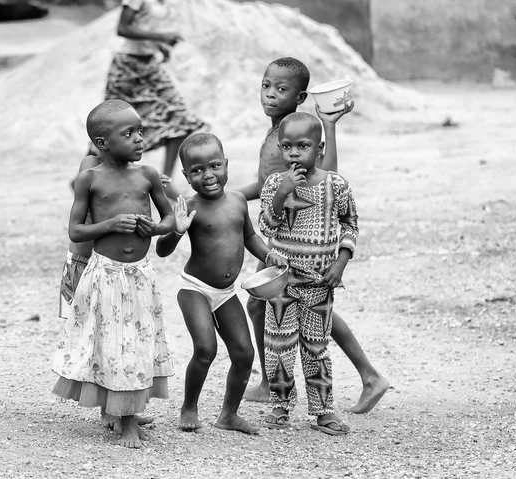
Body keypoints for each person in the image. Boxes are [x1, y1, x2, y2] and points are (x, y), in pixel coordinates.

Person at [239, 57, 389, 413]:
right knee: (279, 302)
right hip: (282, 237)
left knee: (298, 302)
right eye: (266, 86)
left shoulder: (294, 136)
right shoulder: (280, 132)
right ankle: (277, 382)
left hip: (297, 241)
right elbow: (266, 186)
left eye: (281, 89)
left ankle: (365, 376)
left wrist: (328, 126)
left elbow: (326, 179)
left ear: (300, 97)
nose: (270, 95)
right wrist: (225, 196)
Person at [52, 99, 175, 449]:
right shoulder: (89, 179)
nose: (139, 138)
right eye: (129, 133)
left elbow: (167, 219)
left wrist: (156, 229)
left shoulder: (148, 175)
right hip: (106, 275)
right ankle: (127, 423)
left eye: (140, 131)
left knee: (136, 343)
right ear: (103, 143)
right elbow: (75, 231)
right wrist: (109, 224)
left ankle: (123, 409)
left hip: (140, 276)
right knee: (114, 346)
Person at [156, 132, 287, 435]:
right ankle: (189, 408)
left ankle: (228, 415)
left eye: (214, 166)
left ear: (226, 165)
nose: (208, 175)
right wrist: (176, 230)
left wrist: (269, 255)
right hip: (195, 289)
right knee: (205, 349)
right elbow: (163, 251)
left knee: (244, 353)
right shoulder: (189, 206)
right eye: (197, 170)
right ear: (187, 177)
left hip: (226, 293)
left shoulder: (239, 200)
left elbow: (250, 237)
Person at [259, 111, 358, 434]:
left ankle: (323, 410)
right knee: (278, 344)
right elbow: (265, 224)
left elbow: (349, 223)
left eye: (302, 146)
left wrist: (340, 262)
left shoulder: (336, 185)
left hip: (320, 282)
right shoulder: (276, 183)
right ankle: (280, 403)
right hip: (281, 281)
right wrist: (281, 193)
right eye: (287, 147)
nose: (293, 154)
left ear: (319, 147)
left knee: (316, 346)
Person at [95, 0, 207, 199]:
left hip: (149, 65)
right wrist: (162, 36)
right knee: (111, 125)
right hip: (127, 68)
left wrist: (159, 45)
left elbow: (145, 26)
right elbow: (123, 28)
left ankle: (165, 181)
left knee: (179, 118)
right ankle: (84, 178)